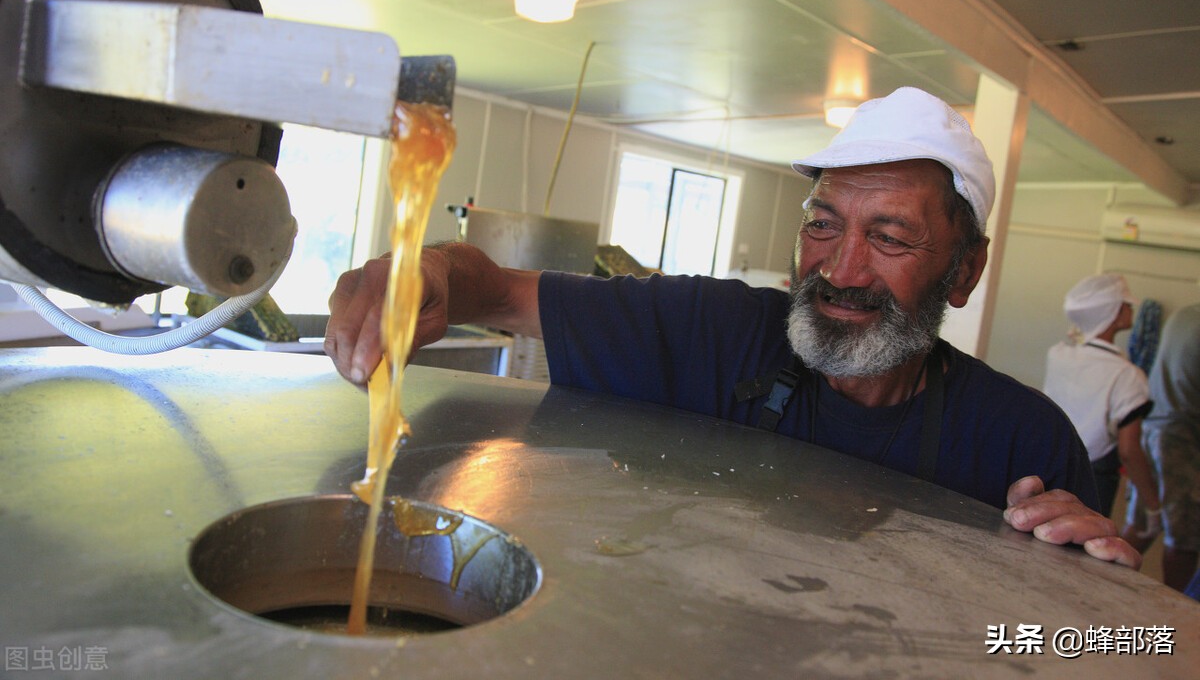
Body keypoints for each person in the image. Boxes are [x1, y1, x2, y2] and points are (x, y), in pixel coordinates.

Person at [325, 86, 1139, 569]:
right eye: (823, 224)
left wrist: (1091, 590)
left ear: (964, 270)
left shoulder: (1022, 441)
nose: (842, 268)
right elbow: (496, 291)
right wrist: (427, 271)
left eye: (890, 237)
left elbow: (1064, 645)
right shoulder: (716, 332)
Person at [1042, 274, 1159, 517]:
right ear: (1114, 314)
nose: (1131, 309)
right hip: (1094, 480)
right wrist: (1153, 505)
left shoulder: (1058, 355)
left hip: (1048, 466)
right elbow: (1129, 450)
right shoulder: (1127, 374)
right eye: (1126, 304)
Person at [1123, 302, 1200, 591]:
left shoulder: (1186, 313)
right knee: (1184, 537)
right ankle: (1178, 607)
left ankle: (1096, 583)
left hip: (1154, 425)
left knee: (1144, 522)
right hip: (1181, 438)